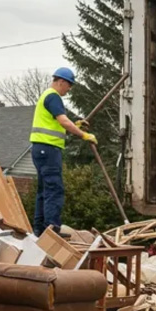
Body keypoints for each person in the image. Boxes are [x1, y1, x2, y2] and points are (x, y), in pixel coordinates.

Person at [29, 67, 98, 237]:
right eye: (69, 85)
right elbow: (63, 121)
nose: (69, 89)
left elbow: (58, 123)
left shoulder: (46, 96)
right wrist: (84, 135)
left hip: (40, 149)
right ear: (61, 82)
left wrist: (76, 125)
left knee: (44, 190)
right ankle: (52, 229)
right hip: (49, 150)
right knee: (54, 189)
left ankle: (40, 229)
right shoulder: (53, 96)